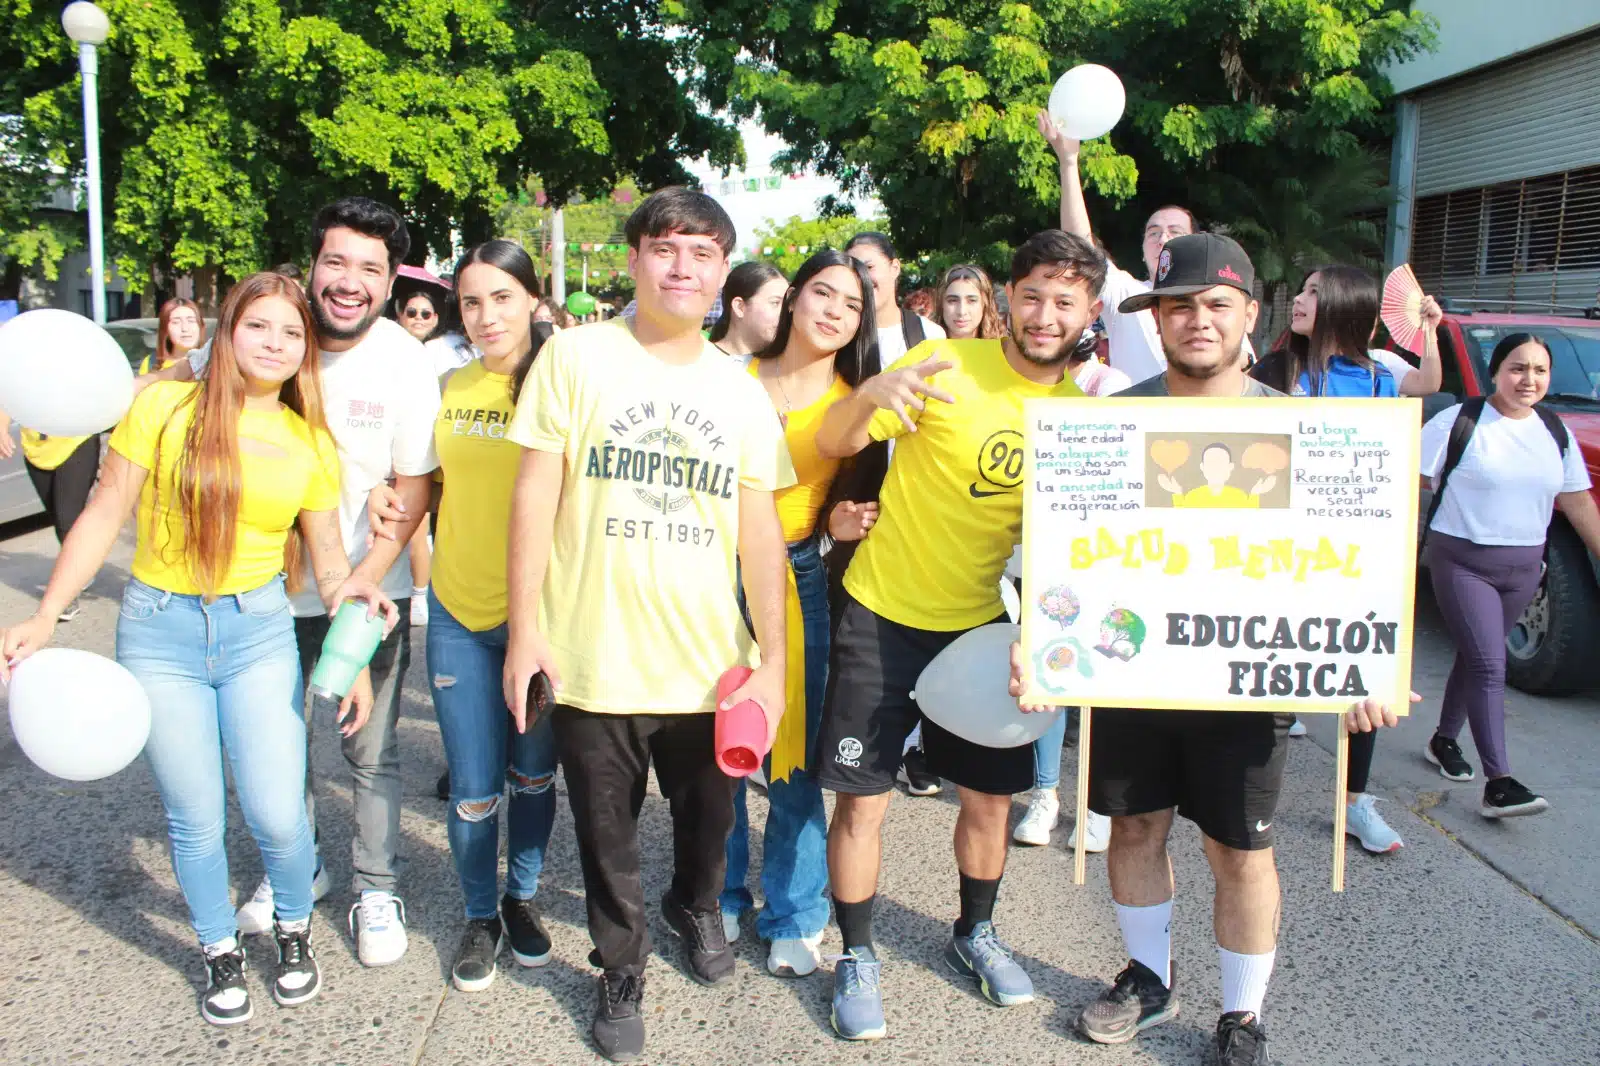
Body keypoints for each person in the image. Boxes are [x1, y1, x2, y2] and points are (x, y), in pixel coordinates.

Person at [1008, 233, 1404, 1066]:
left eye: (1216, 304)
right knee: (1134, 830)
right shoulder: (1111, 425)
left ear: (1251, 316)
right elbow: (1066, 555)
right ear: (1158, 317)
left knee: (1241, 852)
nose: (1197, 320)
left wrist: (1371, 670)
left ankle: (1242, 1016)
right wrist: (1038, 640)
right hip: (1135, 677)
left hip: (1246, 683)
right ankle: (1149, 980)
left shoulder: (1305, 431)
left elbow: (1354, 563)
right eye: (1178, 305)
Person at [0, 272, 398, 1026]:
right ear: (229, 330)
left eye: (292, 333)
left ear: (305, 349)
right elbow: (102, 510)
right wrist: (48, 614)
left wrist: (358, 635)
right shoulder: (162, 406)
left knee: (280, 814)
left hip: (258, 634)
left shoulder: (307, 439)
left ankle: (290, 927)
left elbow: (329, 569)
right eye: (260, 327)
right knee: (194, 817)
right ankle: (217, 945)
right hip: (158, 632)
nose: (275, 344)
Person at [503, 188, 793, 1062]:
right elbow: (534, 495)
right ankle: (619, 965)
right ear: (632, 259)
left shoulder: (739, 394)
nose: (681, 266)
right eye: (665, 247)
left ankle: (696, 905)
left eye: (702, 253)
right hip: (592, 655)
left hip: (711, 667)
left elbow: (760, 537)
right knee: (606, 833)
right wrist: (525, 632)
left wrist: (774, 662)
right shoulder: (576, 358)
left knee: (712, 827)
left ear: (721, 276)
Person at [812, 229, 1103, 1041]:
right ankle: (857, 954)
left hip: (979, 628)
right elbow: (832, 443)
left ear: (1089, 311)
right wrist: (872, 399)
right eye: (1033, 295)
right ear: (1009, 297)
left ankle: (974, 933)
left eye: (1066, 300)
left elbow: (1074, 551)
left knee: (988, 799)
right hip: (878, 612)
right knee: (862, 804)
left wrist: (1041, 637)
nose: (1046, 315)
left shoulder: (1083, 422)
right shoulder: (944, 369)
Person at [155, 199, 443, 967]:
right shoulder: (269, 333)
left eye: (370, 269)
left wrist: (362, 582)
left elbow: (417, 484)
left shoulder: (405, 361)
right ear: (312, 265)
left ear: (389, 283)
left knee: (370, 751)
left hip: (366, 588)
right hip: (258, 593)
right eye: (336, 262)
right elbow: (174, 403)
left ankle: (376, 887)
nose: (350, 282)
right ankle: (302, 864)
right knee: (277, 751)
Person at [720, 250, 882, 979]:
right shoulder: (729, 380)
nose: (833, 311)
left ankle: (794, 910)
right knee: (713, 746)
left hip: (795, 574)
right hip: (708, 575)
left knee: (792, 757)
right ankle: (716, 892)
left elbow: (866, 494)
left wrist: (845, 523)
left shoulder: (857, 400)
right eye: (822, 293)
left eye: (851, 304)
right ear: (791, 300)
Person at [1250, 265, 1441, 850]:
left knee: (1367, 677)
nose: (1299, 301)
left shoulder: (1381, 372)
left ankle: (1355, 802)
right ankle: (1255, 802)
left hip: (1362, 551)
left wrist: (1430, 329)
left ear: (1341, 304)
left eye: (1311, 292)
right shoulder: (1277, 368)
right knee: (1267, 661)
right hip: (1282, 547)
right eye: (1301, 291)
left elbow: (1428, 383)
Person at [422, 240, 560, 991]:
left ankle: (521, 898)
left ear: (533, 299)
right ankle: (479, 914)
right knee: (475, 788)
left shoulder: (563, 384)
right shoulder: (445, 384)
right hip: (456, 615)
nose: (485, 316)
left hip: (538, 621)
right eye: (471, 301)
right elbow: (419, 483)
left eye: (501, 297)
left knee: (533, 775)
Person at [1420, 333, 1600, 817]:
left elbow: (1578, 500)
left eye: (1540, 371)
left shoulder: (1553, 430)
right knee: (1489, 663)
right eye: (1518, 368)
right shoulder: (1460, 421)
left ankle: (1443, 741)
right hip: (1461, 561)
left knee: (1478, 656)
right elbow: (1407, 479)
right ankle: (1499, 782)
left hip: (1523, 569)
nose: (1529, 380)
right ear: (1496, 371)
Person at [1039, 111, 1253, 385]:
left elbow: (1243, 366)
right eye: (1153, 233)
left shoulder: (1218, 305)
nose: (1163, 239)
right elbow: (1081, 247)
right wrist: (1069, 163)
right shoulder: (1126, 294)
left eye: (1175, 232)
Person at [709, 261, 788, 357]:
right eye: (775, 303)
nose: (785, 312)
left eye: (786, 303)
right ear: (739, 307)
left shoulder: (787, 364)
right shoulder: (702, 362)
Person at [935, 263, 1004, 341]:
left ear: (985, 303)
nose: (961, 311)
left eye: (972, 301)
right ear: (941, 304)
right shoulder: (924, 347)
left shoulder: (1002, 350)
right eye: (953, 301)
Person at [139, 297, 208, 375]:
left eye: (191, 321)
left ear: (200, 326)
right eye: (176, 322)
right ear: (165, 329)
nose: (185, 328)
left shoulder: (213, 364)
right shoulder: (151, 363)